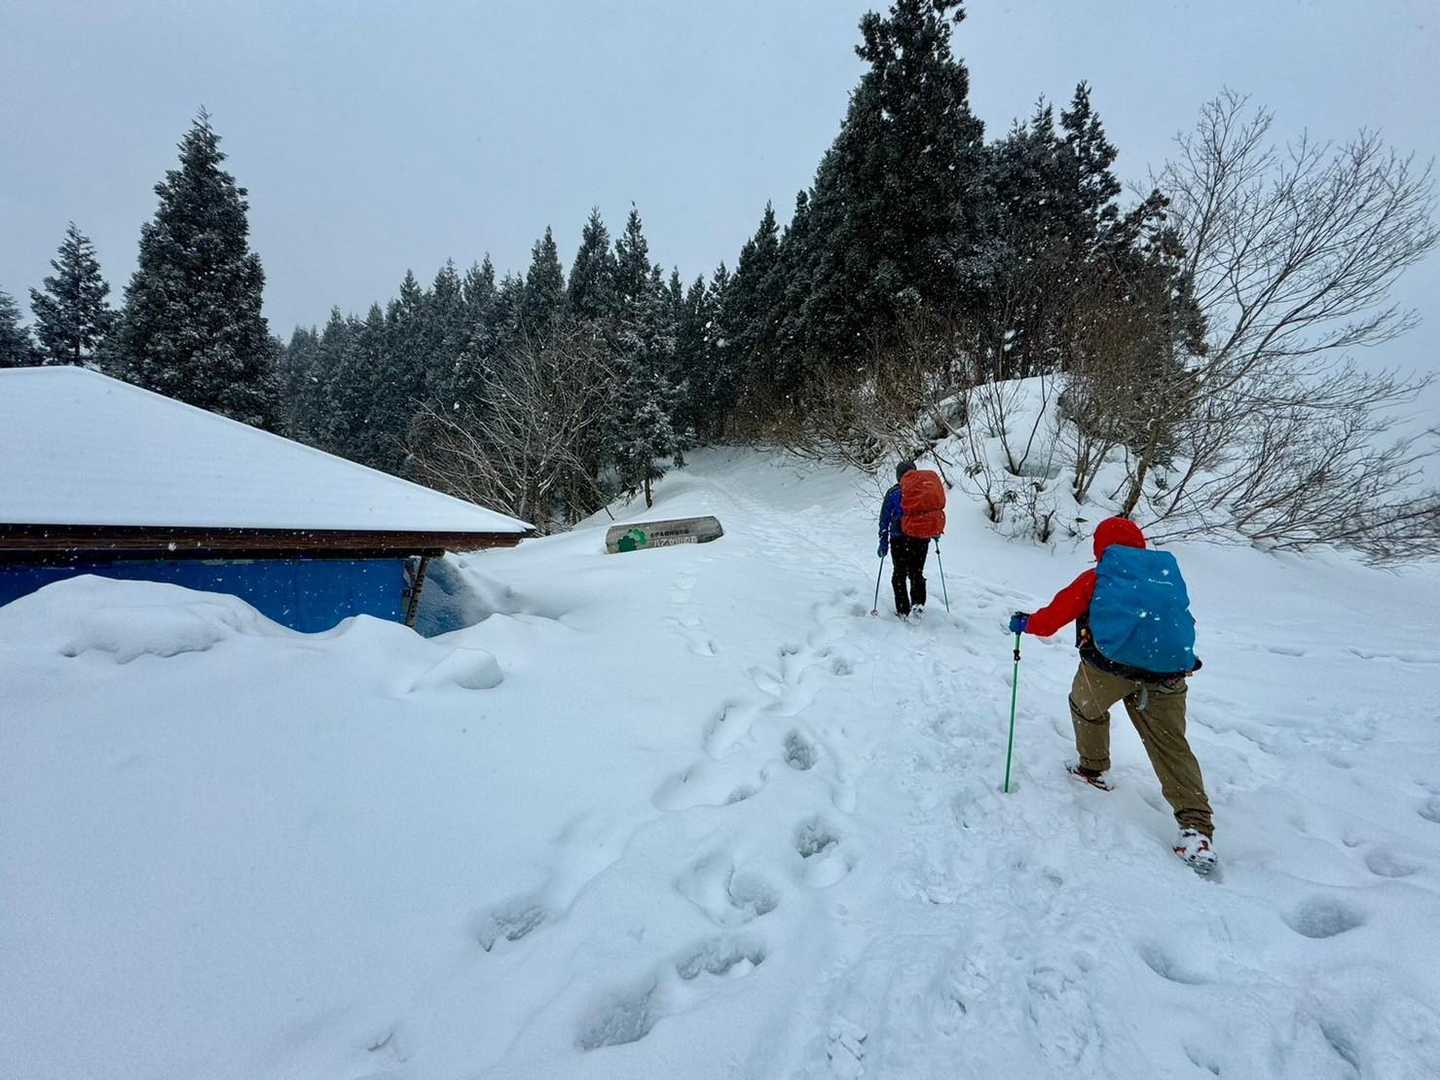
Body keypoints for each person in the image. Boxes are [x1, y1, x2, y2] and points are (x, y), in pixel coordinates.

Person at [1009, 516, 1217, 875]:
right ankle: (1196, 828)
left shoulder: (1099, 578)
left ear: (1100, 547)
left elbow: (1051, 620)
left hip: (1108, 670)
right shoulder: (1164, 577)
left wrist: (1025, 623)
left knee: (1084, 707)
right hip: (1168, 675)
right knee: (1171, 745)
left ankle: (1092, 767)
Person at [878, 461, 927, 618]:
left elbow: (884, 519)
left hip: (899, 538)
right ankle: (918, 604)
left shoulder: (893, 492)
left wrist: (883, 541)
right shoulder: (923, 489)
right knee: (916, 571)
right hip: (920, 538)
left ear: (898, 476)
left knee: (899, 573)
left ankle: (903, 610)